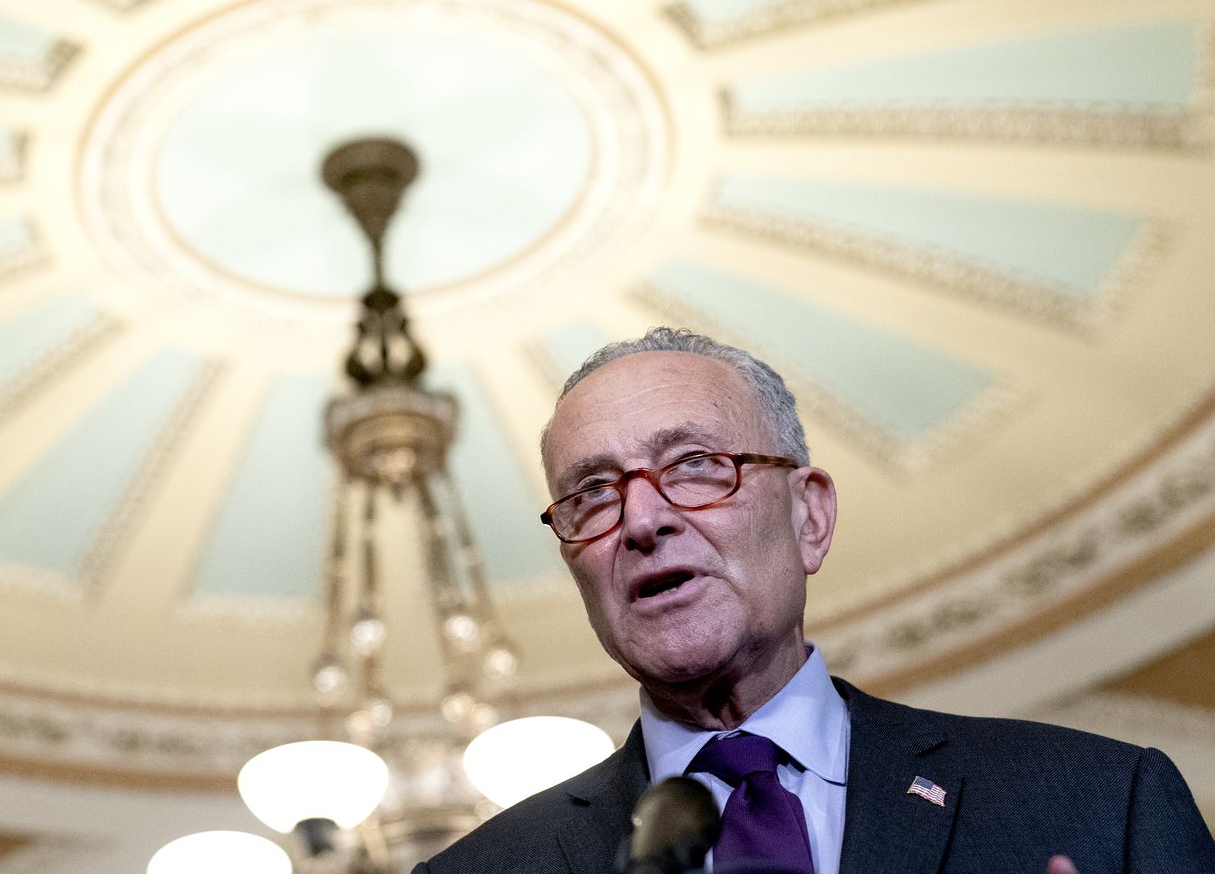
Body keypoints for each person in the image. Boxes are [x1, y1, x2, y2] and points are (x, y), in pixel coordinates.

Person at [415, 328, 1215, 874]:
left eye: (694, 464)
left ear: (810, 516)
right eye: (591, 494)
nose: (644, 519)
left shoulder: (1105, 803)